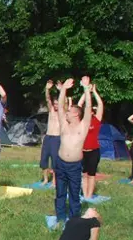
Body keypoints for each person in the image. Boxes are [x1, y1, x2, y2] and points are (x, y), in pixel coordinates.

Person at [53, 77, 95, 224]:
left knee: (74, 194)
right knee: (60, 193)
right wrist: (63, 89)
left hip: (74, 166)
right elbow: (60, 107)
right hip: (60, 163)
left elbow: (88, 108)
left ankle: (74, 220)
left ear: (76, 114)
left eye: (70, 111)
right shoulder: (64, 124)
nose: (66, 112)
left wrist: (86, 88)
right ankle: (60, 218)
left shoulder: (83, 126)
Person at [79, 86, 104, 200]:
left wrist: (94, 92)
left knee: (91, 174)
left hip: (94, 151)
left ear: (93, 112)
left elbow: (100, 105)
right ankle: (84, 194)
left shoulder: (96, 120)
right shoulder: (82, 120)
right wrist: (85, 91)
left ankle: (89, 195)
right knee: (84, 174)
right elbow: (79, 105)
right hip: (82, 151)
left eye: (90, 111)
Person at [39, 81, 61, 187]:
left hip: (57, 138)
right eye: (55, 103)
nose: (56, 105)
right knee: (44, 159)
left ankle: (54, 181)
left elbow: (64, 103)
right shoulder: (51, 110)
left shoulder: (63, 112)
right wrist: (47, 89)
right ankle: (45, 179)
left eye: (58, 104)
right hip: (48, 137)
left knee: (55, 160)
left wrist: (62, 90)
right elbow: (48, 99)